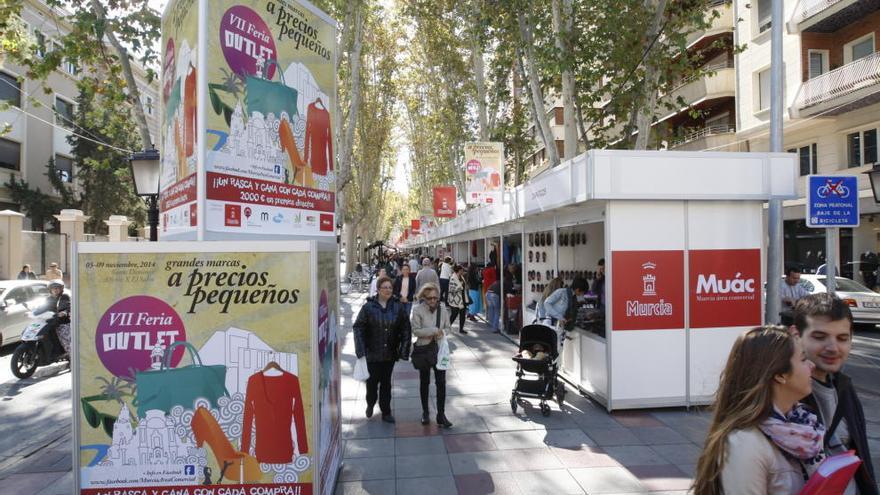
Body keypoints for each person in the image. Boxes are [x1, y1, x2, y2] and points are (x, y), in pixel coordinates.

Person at [693, 326, 821, 494]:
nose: (812, 365)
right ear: (780, 375)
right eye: (803, 359)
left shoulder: (805, 426)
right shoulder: (745, 443)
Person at [793, 294, 877, 494]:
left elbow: (862, 461)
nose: (832, 348)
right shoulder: (782, 393)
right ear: (796, 336)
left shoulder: (844, 387)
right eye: (820, 337)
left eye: (842, 338)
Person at [353, 276, 412, 423]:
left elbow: (406, 328)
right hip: (372, 353)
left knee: (386, 383)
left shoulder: (397, 307)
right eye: (384, 287)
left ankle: (386, 411)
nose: (388, 290)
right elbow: (358, 327)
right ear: (378, 289)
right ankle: (370, 403)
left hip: (389, 353)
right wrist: (360, 350)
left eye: (390, 287)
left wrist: (404, 350)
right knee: (372, 383)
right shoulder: (368, 307)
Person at [410, 283, 453, 428]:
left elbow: (448, 328)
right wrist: (434, 331)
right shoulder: (417, 310)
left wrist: (443, 332)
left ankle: (441, 414)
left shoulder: (443, 309)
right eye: (429, 298)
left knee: (441, 382)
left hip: (440, 350)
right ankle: (425, 412)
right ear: (423, 297)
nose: (433, 301)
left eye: (435, 298)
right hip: (424, 350)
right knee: (425, 381)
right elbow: (416, 330)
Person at [542, 277, 588, 350]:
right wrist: (559, 316)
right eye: (582, 292)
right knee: (549, 351)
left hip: (559, 329)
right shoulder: (561, 292)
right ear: (577, 289)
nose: (582, 294)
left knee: (557, 353)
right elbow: (546, 303)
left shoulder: (574, 298)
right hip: (551, 325)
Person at [32, 279, 71, 355]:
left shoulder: (64, 297)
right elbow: (42, 308)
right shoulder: (49, 299)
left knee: (66, 340)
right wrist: (33, 313)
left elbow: (66, 306)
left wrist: (63, 312)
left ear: (61, 289)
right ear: (50, 290)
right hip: (51, 322)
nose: (55, 290)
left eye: (57, 288)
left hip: (62, 322)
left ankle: (71, 356)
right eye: (53, 288)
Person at [447, 265, 469, 335]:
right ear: (459, 270)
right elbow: (452, 290)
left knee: (463, 314)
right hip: (455, 299)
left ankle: (461, 329)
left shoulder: (461, 277)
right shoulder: (453, 278)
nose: (463, 271)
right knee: (454, 314)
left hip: (462, 298)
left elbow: (463, 286)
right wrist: (460, 286)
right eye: (462, 270)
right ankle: (447, 327)